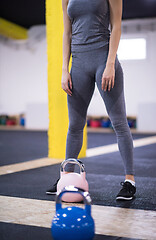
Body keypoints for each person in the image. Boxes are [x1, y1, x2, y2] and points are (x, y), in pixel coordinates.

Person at [46, 0, 136, 200]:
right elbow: (66, 32)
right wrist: (64, 70)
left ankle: (130, 181)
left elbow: (117, 26)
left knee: (119, 122)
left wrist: (110, 63)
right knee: (75, 125)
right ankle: (67, 177)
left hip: (103, 61)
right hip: (78, 65)